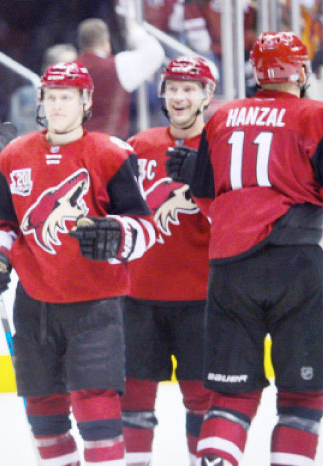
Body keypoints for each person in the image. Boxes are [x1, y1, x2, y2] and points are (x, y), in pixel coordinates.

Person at [0, 62, 156, 466]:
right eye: (50, 97)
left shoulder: (111, 153)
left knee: (96, 412)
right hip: (35, 302)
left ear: (86, 101)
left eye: (66, 98)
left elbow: (146, 230)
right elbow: (1, 225)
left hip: (95, 303)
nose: (56, 106)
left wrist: (117, 233)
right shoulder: (14, 156)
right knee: (44, 413)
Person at [166, 32, 323, 466]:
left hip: (230, 267)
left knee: (231, 394)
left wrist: (241, 224)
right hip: (297, 261)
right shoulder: (316, 116)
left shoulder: (222, 117)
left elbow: (204, 196)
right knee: (302, 394)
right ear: (301, 71)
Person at [121, 56, 216, 466]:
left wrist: (205, 178)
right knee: (134, 395)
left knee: (201, 398)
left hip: (201, 298)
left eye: (189, 88)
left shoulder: (222, 146)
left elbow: (234, 218)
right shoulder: (140, 146)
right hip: (139, 295)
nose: (179, 96)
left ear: (207, 95)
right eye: (173, 87)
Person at [76, 18, 164, 140]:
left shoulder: (69, 68)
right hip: (111, 145)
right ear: (106, 41)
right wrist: (135, 31)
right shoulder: (119, 65)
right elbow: (155, 53)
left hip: (79, 144)